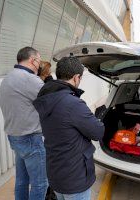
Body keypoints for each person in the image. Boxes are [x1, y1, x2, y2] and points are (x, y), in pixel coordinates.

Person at [33, 56, 105, 200]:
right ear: (76, 77)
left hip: (56, 174)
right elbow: (98, 132)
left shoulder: (47, 98)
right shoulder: (73, 103)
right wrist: (96, 118)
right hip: (75, 178)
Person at [0, 47, 49, 200]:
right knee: (40, 183)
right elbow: (51, 101)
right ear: (33, 60)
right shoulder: (30, 79)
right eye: (39, 62)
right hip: (31, 139)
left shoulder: (9, 77)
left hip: (15, 137)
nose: (39, 66)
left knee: (22, 180)